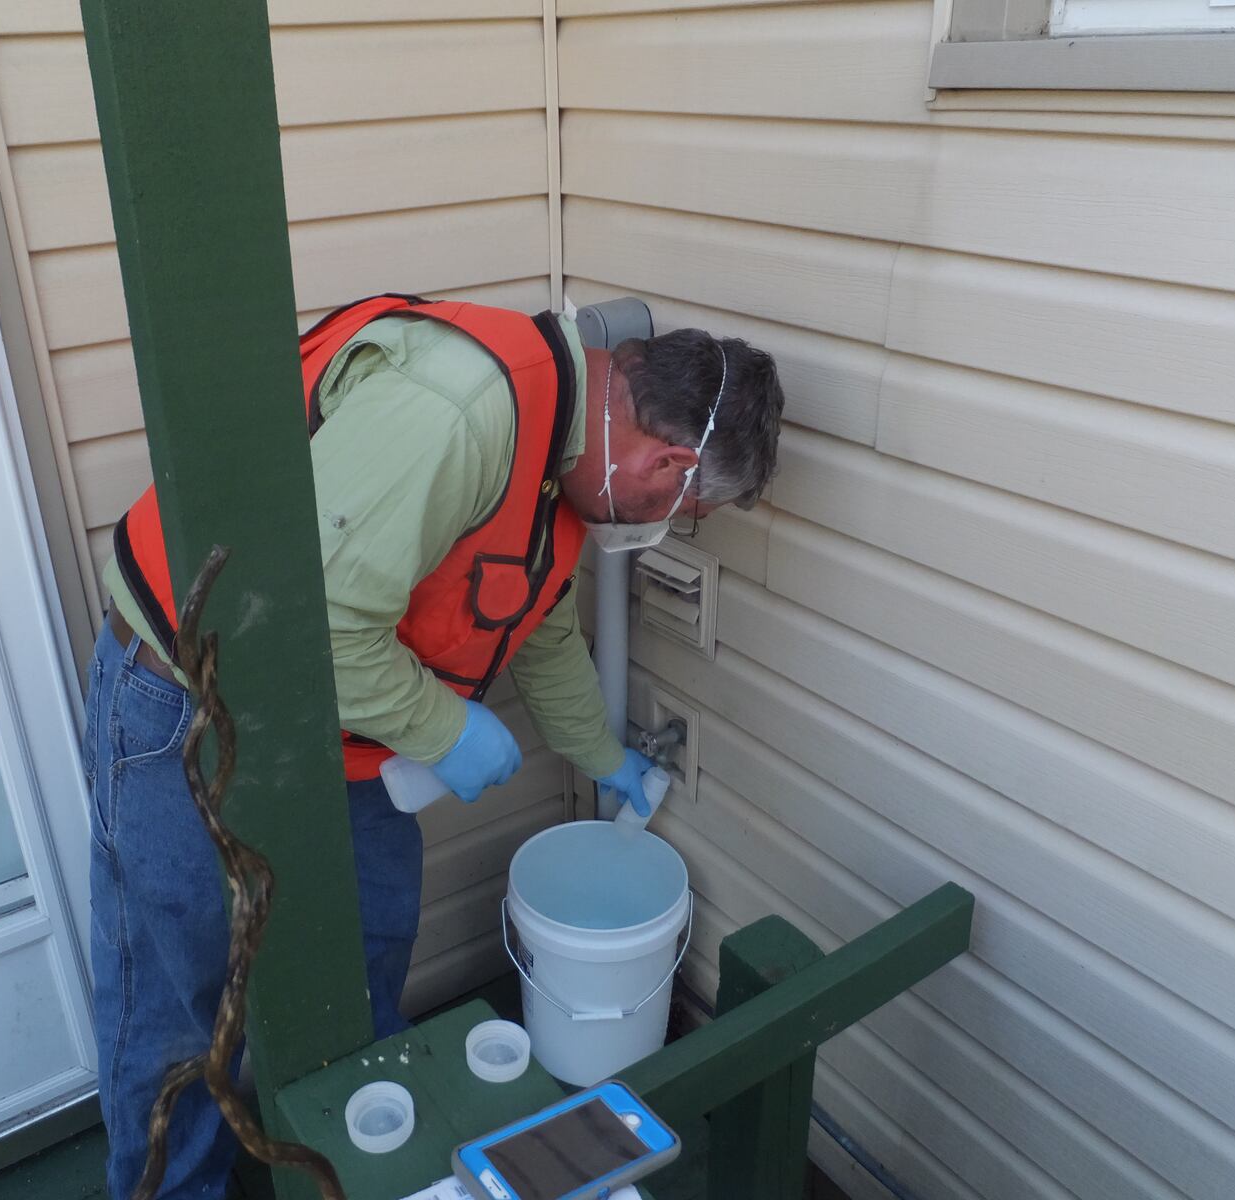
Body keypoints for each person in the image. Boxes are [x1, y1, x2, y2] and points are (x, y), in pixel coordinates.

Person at [83, 294, 784, 1198]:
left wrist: (602, 756)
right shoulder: (463, 412)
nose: (665, 524)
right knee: (177, 1010)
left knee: (370, 944)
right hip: (187, 696)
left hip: (347, 731)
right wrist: (448, 731)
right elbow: (311, 630)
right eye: (683, 509)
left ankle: (369, 1167)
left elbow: (541, 633)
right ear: (668, 461)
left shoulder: (561, 465)